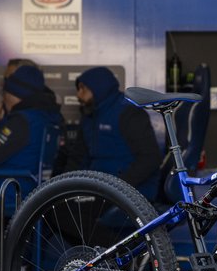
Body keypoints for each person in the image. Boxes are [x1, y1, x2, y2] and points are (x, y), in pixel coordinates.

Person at [0, 64, 63, 260]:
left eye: (5, 92)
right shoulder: (47, 116)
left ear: (12, 94)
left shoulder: (22, 121)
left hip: (10, 190)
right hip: (28, 187)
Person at [66, 66, 163, 199]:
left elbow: (150, 158)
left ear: (98, 88)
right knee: (56, 210)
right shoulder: (89, 116)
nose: (79, 95)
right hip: (98, 189)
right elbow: (78, 157)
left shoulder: (129, 113)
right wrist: (62, 186)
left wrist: (117, 187)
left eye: (83, 89)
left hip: (132, 194)